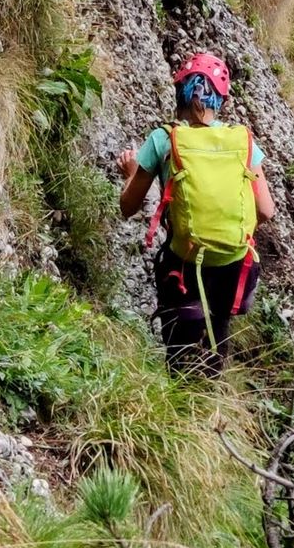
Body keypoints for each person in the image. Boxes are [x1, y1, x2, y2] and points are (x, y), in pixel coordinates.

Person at [116, 50, 274, 359]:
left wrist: (132, 172)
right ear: (221, 100)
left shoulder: (164, 139)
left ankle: (181, 399)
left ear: (180, 94)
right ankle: (210, 397)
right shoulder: (243, 142)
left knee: (181, 349)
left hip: (184, 262)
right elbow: (266, 210)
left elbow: (128, 206)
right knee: (216, 336)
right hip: (232, 261)